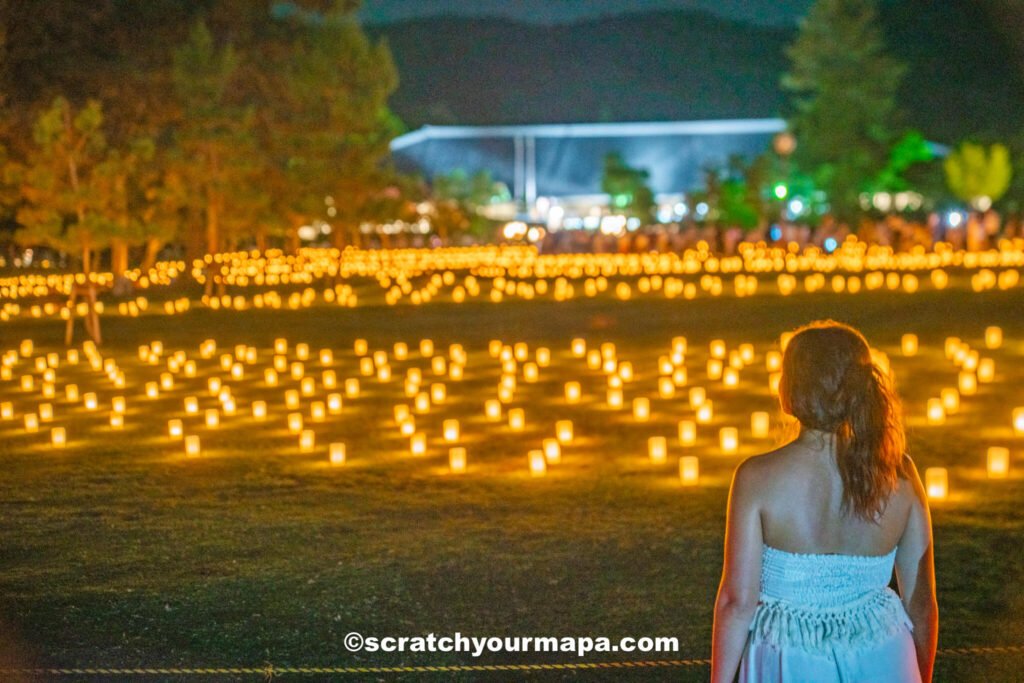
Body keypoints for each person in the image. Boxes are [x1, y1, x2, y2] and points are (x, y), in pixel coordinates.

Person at [711, 321, 938, 683]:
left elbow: (737, 602)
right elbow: (920, 603)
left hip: (790, 657)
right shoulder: (901, 475)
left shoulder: (757, 477)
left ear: (790, 391)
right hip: (883, 655)